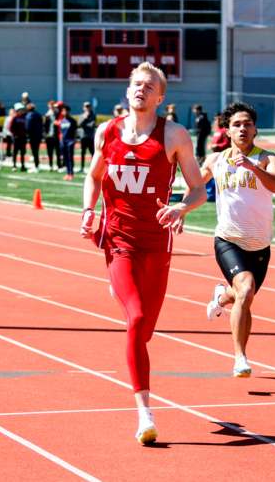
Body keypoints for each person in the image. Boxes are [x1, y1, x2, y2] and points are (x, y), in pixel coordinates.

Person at [81, 63, 207, 445]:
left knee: (146, 328)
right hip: (118, 240)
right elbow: (95, 176)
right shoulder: (108, 131)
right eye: (136, 83)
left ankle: (125, 290)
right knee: (135, 319)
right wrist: (89, 210)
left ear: (160, 97)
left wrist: (182, 208)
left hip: (157, 243)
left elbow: (199, 189)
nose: (141, 89)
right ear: (127, 90)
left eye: (149, 86)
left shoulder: (174, 135)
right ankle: (145, 413)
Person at [201, 102, 275, 379]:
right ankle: (240, 357)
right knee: (246, 289)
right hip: (228, 239)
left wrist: (253, 168)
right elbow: (193, 186)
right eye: (236, 124)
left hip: (260, 244)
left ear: (255, 129)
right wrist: (177, 208)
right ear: (227, 130)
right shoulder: (215, 160)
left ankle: (220, 296)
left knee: (240, 295)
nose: (242, 128)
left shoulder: (267, 159)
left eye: (247, 123)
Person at [59, 104, 78, 180]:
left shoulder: (72, 121)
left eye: (66, 110)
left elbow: (75, 131)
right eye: (63, 111)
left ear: (68, 111)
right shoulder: (62, 121)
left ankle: (71, 173)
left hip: (70, 141)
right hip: (63, 141)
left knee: (70, 158)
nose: (64, 112)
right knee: (65, 158)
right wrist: (61, 140)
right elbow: (61, 132)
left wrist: (74, 140)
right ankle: (67, 173)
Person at [78, 101, 96, 173]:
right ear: (83, 108)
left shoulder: (93, 115)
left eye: (88, 106)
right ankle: (82, 167)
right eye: (86, 106)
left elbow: (92, 125)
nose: (87, 108)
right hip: (83, 137)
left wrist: (85, 125)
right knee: (83, 153)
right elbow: (79, 124)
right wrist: (85, 118)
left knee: (93, 153)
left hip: (90, 136)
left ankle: (93, 168)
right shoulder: (81, 116)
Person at [25, 102, 44, 172]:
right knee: (36, 151)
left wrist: (27, 134)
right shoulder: (38, 115)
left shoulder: (29, 115)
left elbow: (28, 127)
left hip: (32, 136)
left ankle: (36, 166)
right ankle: (37, 165)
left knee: (34, 151)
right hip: (38, 135)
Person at [43, 100, 61, 171]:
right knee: (49, 151)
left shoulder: (57, 113)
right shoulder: (47, 114)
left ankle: (59, 165)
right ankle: (50, 165)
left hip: (56, 135)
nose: (51, 107)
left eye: (52, 105)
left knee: (58, 151)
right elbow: (45, 126)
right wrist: (45, 135)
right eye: (50, 105)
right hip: (49, 136)